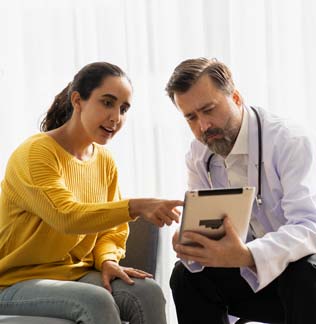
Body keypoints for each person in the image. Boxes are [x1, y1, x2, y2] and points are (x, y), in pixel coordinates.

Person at [0, 62, 183, 324]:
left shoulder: (104, 161)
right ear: (78, 100)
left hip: (75, 273)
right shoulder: (35, 153)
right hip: (13, 281)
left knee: (147, 292)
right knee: (96, 301)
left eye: (123, 108)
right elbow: (66, 216)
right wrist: (136, 206)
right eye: (107, 103)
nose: (116, 117)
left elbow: (112, 231)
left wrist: (107, 259)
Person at [166, 57, 316, 324]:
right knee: (186, 276)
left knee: (302, 274)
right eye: (191, 117)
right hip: (255, 278)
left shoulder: (288, 141)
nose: (203, 126)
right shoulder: (199, 153)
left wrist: (249, 255)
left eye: (209, 109)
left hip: (302, 276)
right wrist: (191, 242)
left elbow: (309, 225)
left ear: (235, 97)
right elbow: (207, 223)